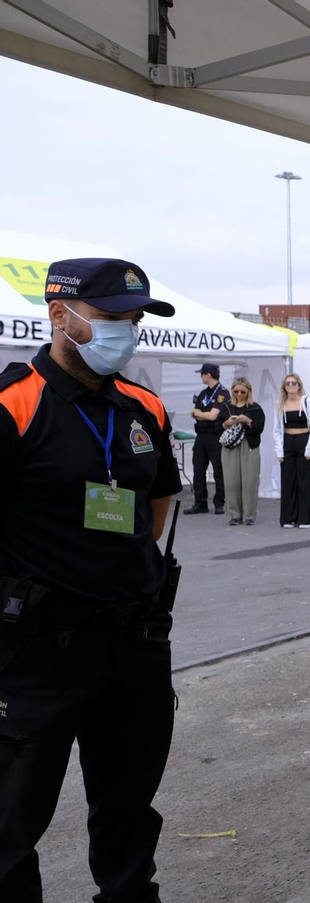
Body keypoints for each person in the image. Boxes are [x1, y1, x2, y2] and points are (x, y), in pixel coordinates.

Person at [0, 258, 182, 903]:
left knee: (130, 813)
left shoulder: (144, 406)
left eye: (135, 320)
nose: (127, 333)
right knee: (9, 829)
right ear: (61, 315)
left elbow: (156, 507)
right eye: (112, 319)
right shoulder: (13, 403)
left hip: (131, 648)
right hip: (35, 657)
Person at [272, 373, 310, 530]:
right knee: (288, 481)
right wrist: (279, 452)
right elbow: (276, 430)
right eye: (287, 383)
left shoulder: (307, 401)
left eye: (293, 383)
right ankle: (289, 517)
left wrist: (309, 448)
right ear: (284, 386)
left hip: (304, 441)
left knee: (305, 481)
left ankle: (305, 518)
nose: (291, 386)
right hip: (288, 442)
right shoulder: (280, 404)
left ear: (299, 385)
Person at [183, 361, 228, 515]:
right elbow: (194, 412)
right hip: (201, 436)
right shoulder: (204, 393)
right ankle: (200, 503)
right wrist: (201, 414)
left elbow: (212, 415)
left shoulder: (222, 393)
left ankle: (219, 502)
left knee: (218, 471)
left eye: (202, 374)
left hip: (215, 436)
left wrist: (200, 414)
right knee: (198, 469)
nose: (201, 377)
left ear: (208, 375)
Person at [219, 376, 265, 526]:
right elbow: (215, 427)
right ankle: (234, 514)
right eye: (236, 391)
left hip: (249, 445)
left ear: (248, 392)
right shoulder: (226, 407)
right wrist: (226, 423)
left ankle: (249, 515)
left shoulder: (255, 408)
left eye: (242, 392)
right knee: (231, 481)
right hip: (230, 446)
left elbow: (259, 429)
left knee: (249, 481)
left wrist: (248, 421)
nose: (239, 394)